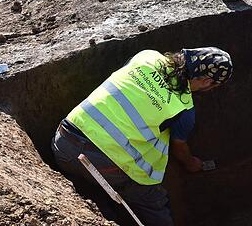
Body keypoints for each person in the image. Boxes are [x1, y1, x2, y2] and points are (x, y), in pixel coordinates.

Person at [52, 47, 233, 226]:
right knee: (154, 205)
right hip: (102, 166)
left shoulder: (146, 56)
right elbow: (179, 146)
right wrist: (190, 163)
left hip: (63, 144)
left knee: (99, 199)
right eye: (213, 86)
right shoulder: (184, 108)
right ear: (207, 81)